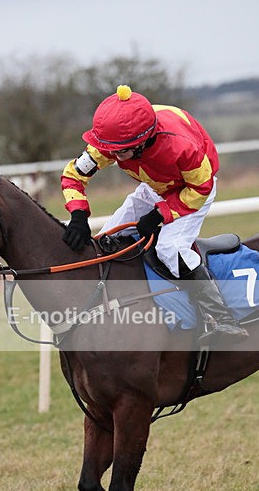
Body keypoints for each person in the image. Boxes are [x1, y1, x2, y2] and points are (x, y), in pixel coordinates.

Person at [60, 84, 249, 340]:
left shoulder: (181, 146)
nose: (113, 156)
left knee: (170, 248)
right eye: (110, 150)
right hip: (155, 187)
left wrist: (161, 214)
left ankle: (223, 319)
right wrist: (78, 215)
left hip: (192, 192)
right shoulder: (112, 142)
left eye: (121, 151)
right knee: (104, 242)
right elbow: (73, 175)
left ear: (142, 142)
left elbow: (200, 188)